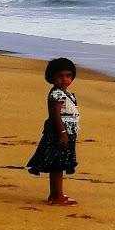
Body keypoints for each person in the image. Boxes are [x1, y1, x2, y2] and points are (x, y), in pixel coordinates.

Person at [26, 58, 80, 206]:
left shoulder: (67, 94)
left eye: (68, 76)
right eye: (60, 76)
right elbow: (55, 115)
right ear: (52, 77)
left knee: (60, 165)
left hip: (68, 132)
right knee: (57, 166)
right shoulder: (56, 94)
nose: (65, 79)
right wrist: (62, 132)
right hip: (58, 132)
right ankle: (57, 196)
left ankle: (55, 194)